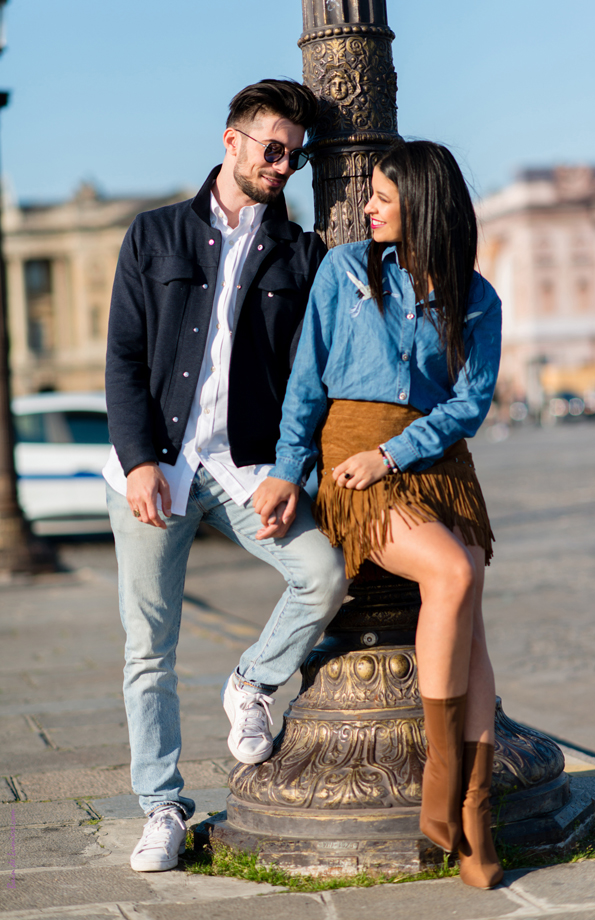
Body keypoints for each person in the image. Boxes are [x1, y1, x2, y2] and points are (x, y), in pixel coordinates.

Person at [103, 79, 349, 873]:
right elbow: (125, 358)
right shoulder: (154, 236)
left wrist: (290, 470)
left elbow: (307, 376)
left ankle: (253, 680)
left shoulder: (302, 254)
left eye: (294, 156)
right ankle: (163, 804)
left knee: (322, 572)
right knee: (149, 648)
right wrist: (141, 462)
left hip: (247, 469)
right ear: (231, 141)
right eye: (271, 149)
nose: (282, 165)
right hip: (158, 468)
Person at [252, 140, 504, 889]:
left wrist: (403, 454)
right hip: (357, 459)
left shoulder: (476, 295)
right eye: (368, 196)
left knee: (470, 608)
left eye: (382, 197)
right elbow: (307, 380)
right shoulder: (343, 270)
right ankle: (445, 775)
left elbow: (469, 404)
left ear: (422, 204)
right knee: (454, 572)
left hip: (435, 463)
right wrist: (289, 472)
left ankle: (477, 813)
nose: (367, 208)